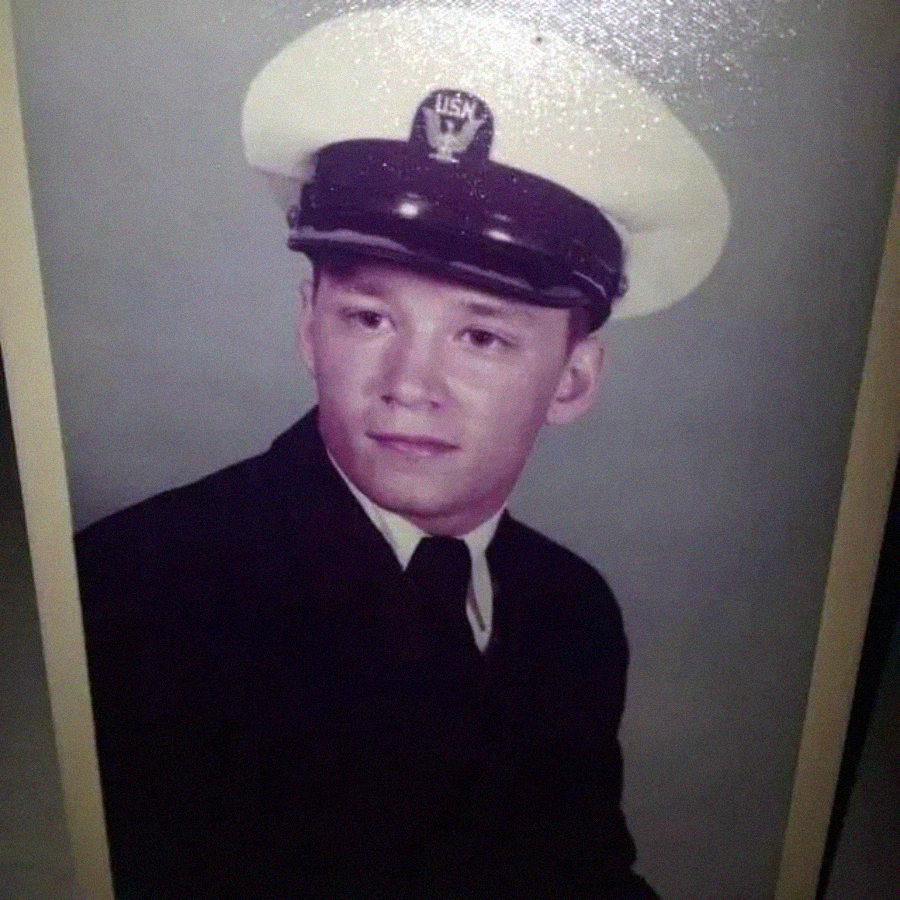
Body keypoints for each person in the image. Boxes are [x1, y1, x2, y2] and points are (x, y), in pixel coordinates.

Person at [75, 8, 729, 899]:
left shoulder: (568, 609)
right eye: (371, 317)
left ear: (573, 380)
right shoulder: (134, 596)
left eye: (483, 339)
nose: (410, 383)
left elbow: (584, 876)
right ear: (309, 326)